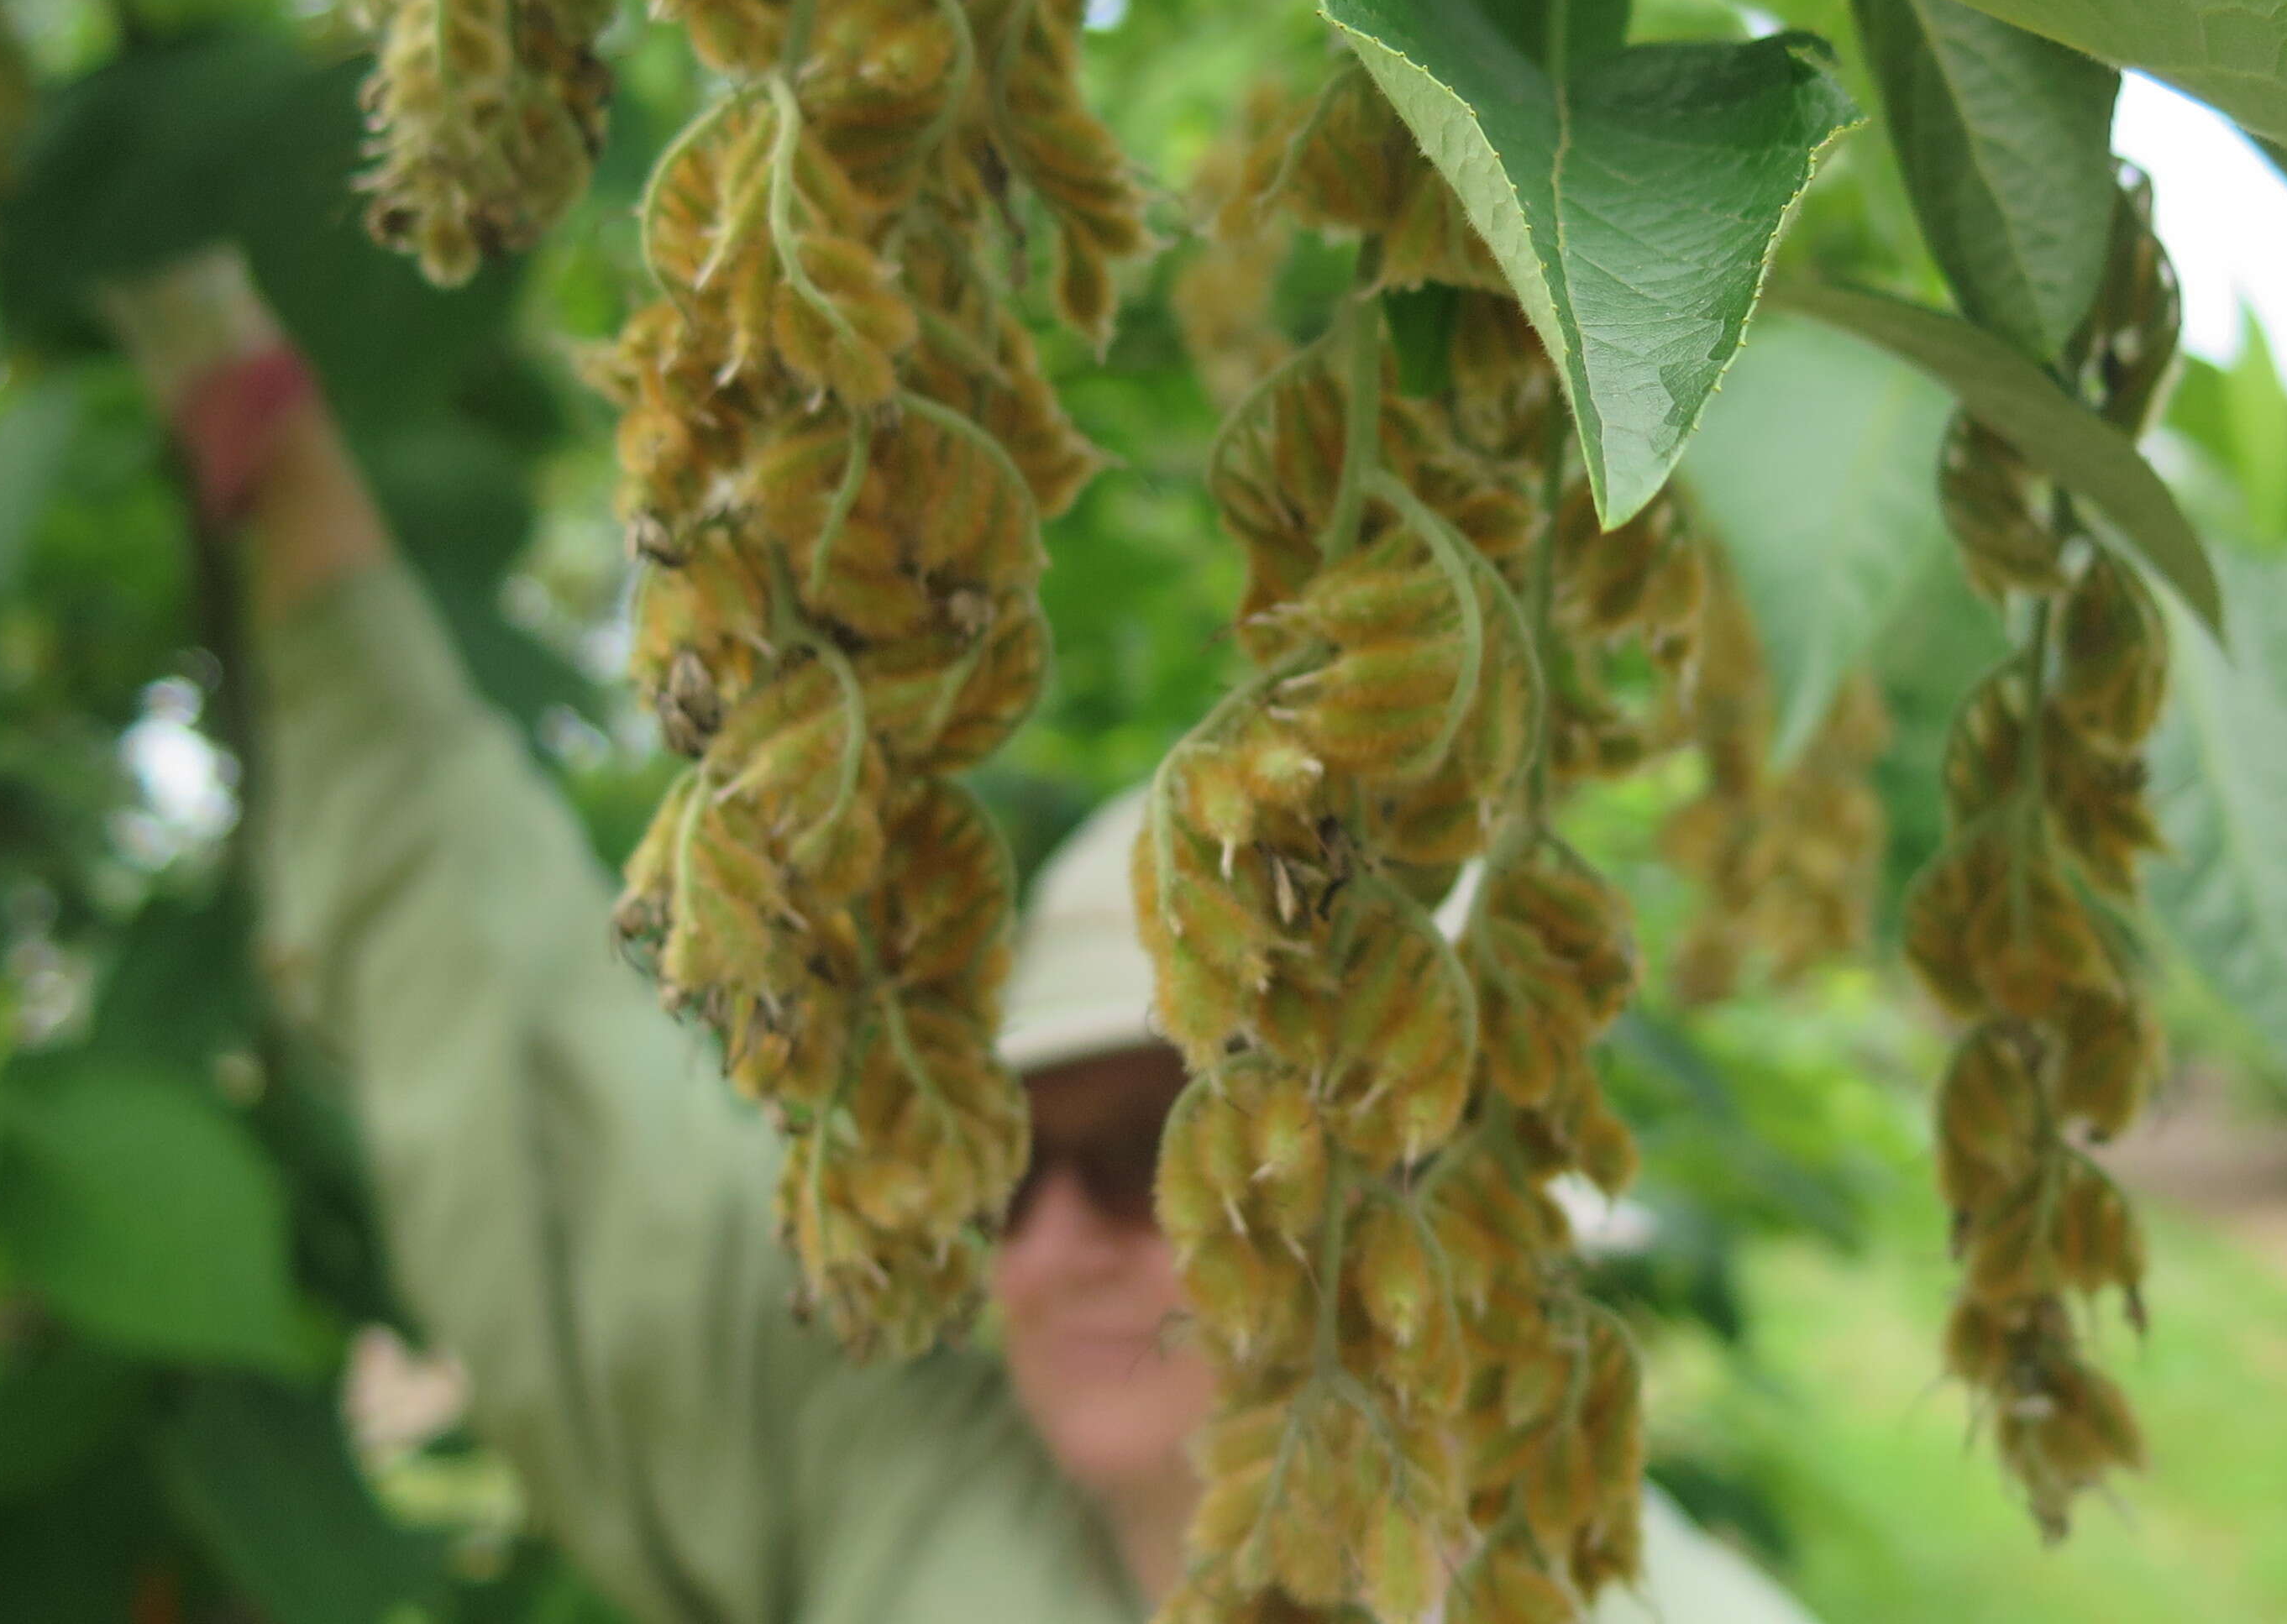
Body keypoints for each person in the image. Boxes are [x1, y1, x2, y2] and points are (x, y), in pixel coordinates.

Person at [105, 249, 1818, 1624]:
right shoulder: (900, 1460)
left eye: (1161, 1151)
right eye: (1011, 1165)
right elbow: (505, 1007)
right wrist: (228, 377)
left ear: (1426, 1215)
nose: (1054, 1245)